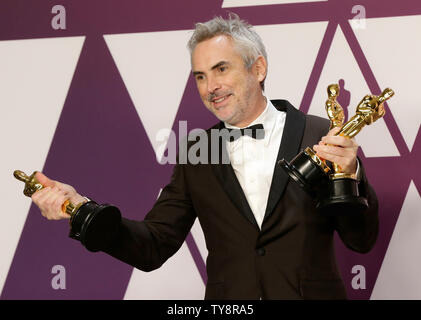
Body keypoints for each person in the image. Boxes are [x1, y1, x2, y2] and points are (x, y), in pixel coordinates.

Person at [31, 14, 378, 299]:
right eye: (200, 75)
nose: (210, 87)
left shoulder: (320, 134)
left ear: (258, 69)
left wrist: (349, 176)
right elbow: (153, 245)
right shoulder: (198, 150)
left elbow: (361, 241)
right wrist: (80, 208)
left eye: (221, 69)